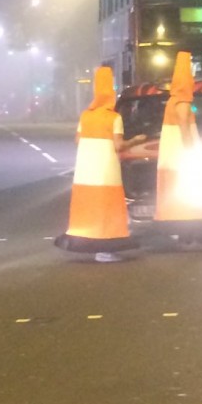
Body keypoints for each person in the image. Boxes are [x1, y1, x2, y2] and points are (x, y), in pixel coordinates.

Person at [54, 66, 146, 263]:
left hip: (85, 171)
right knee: (107, 206)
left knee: (88, 207)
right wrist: (136, 141)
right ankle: (105, 250)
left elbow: (78, 140)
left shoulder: (86, 115)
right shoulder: (114, 118)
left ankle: (90, 244)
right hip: (106, 170)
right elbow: (119, 145)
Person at [153, 51, 202, 250]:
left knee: (181, 196)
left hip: (173, 159)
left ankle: (184, 238)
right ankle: (189, 239)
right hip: (183, 159)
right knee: (190, 195)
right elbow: (184, 124)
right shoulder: (182, 101)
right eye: (191, 75)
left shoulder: (172, 100)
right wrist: (191, 152)